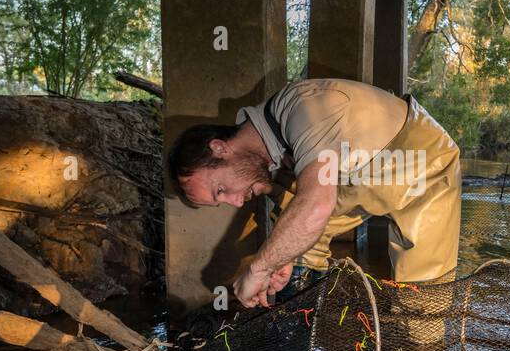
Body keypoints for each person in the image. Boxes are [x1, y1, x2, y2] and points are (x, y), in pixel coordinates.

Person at [167, 78, 461, 308]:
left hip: (422, 164)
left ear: (220, 148)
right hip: (360, 177)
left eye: (220, 190)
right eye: (221, 201)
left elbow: (316, 206)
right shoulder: (272, 156)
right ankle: (301, 327)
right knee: (296, 240)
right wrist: (280, 262)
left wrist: (258, 268)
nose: (234, 201)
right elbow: (304, 217)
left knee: (424, 300)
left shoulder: (303, 107)